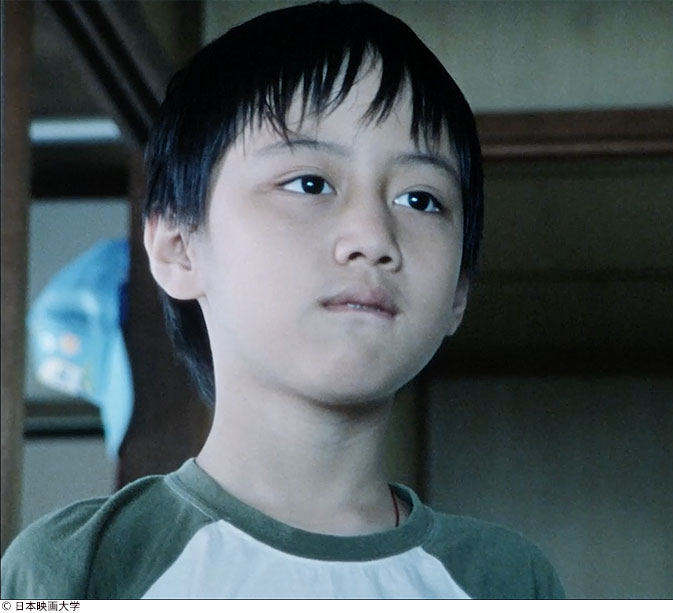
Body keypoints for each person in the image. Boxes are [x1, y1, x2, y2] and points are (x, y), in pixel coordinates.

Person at [2, 1, 563, 599]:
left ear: (458, 292)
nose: (373, 238)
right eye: (309, 184)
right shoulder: (79, 569)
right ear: (179, 248)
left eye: (420, 199)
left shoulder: (505, 581)